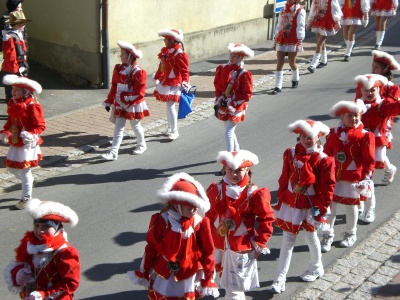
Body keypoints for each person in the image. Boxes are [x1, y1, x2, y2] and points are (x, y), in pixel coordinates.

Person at [128, 172, 219, 300]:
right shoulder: (161, 220)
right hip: (165, 270)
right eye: (190, 208)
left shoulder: (199, 222)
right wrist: (145, 271)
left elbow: (207, 252)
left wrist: (208, 277)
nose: (195, 210)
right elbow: (152, 247)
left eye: (196, 207)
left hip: (189, 271)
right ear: (177, 206)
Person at [270, 120, 335, 294]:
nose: (307, 140)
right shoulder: (290, 153)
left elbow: (328, 186)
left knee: (310, 237)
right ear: (299, 136)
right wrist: (281, 198)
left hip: (310, 205)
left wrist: (323, 208)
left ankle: (316, 267)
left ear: (318, 138)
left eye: (311, 137)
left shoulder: (324, 159)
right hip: (291, 204)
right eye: (304, 136)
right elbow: (284, 177)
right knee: (287, 241)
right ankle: (280, 278)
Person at [206, 150, 274, 300]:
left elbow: (266, 218)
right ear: (224, 169)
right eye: (230, 170)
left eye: (239, 170)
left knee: (234, 288)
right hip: (218, 243)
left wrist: (261, 242)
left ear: (247, 170)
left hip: (241, 246)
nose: (233, 174)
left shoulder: (254, 193)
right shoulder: (216, 189)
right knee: (225, 283)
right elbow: (208, 216)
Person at [321, 99, 375, 252]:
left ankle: (350, 233)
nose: (354, 119)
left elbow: (369, 159)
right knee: (330, 208)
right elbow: (327, 154)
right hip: (333, 177)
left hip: (353, 178)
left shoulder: (365, 135)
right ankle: (327, 235)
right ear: (342, 117)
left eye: (356, 115)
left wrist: (366, 177)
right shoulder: (333, 133)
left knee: (351, 207)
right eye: (349, 116)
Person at [4, 198, 80, 299]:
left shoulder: (66, 252)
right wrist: (18, 273)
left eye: (46, 226)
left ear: (57, 228)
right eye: (37, 226)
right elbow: (21, 264)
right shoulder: (29, 245)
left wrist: (43, 294)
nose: (40, 230)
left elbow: (70, 283)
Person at [354, 74, 400, 222]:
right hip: (356, 146)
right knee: (355, 176)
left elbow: (395, 107)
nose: (369, 93)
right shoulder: (355, 106)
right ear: (361, 90)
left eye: (372, 90)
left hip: (373, 147)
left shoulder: (383, 105)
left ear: (379, 90)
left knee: (366, 177)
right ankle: (359, 202)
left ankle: (370, 208)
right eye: (366, 90)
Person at [0, 75, 45, 210]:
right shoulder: (13, 102)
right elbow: (11, 122)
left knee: (24, 171)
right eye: (12, 89)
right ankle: (29, 183)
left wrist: (31, 135)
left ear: (25, 91)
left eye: (16, 90)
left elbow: (40, 125)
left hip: (27, 142)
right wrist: (5, 131)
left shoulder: (33, 105)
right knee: (11, 168)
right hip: (15, 140)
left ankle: (26, 198)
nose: (13, 92)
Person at [102, 40, 150, 161]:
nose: (120, 56)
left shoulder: (138, 72)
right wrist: (109, 100)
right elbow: (114, 86)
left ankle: (142, 144)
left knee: (135, 125)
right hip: (120, 103)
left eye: (123, 54)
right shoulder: (119, 69)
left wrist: (126, 98)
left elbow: (140, 93)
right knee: (119, 127)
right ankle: (114, 152)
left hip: (132, 104)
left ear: (129, 56)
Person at [214, 44, 254, 152]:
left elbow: (247, 94)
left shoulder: (245, 74)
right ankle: (236, 151)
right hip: (224, 103)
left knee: (228, 132)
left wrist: (233, 101)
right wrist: (219, 97)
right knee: (229, 130)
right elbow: (218, 85)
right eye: (231, 55)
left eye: (235, 56)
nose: (231, 58)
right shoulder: (223, 68)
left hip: (236, 105)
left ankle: (229, 160)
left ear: (241, 58)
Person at [153, 28, 190, 141]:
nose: (164, 41)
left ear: (172, 40)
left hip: (175, 82)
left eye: (166, 39)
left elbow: (184, 70)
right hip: (167, 81)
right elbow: (162, 66)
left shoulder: (179, 54)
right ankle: (170, 128)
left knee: (170, 106)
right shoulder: (166, 51)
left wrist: (185, 81)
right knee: (168, 106)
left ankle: (175, 130)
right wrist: (158, 76)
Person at [272, 0, 306, 94]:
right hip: (282, 38)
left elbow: (301, 26)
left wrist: (300, 39)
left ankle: (295, 79)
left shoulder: (300, 11)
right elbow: (279, 25)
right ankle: (278, 86)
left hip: (293, 39)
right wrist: (276, 36)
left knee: (292, 63)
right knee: (280, 63)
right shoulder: (283, 10)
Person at [306, 0, 342, 72]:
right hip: (318, 21)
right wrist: (309, 23)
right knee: (321, 42)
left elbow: (335, 10)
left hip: (326, 23)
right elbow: (312, 12)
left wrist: (337, 21)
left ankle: (313, 64)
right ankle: (324, 60)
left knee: (319, 44)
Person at [1, 10, 30, 103]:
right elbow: (10, 56)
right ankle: (12, 113)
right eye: (23, 23)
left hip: (19, 66)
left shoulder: (18, 35)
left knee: (19, 91)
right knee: (12, 92)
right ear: (18, 24)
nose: (24, 25)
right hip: (12, 69)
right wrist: (16, 71)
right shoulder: (10, 37)